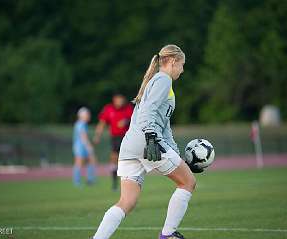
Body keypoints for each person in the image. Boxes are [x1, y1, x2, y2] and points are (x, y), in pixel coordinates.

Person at [92, 44, 202, 239]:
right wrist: (151, 137)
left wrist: (177, 156)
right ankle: (167, 235)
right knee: (188, 183)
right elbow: (148, 112)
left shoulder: (157, 80)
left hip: (129, 146)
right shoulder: (163, 80)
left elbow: (164, 127)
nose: (183, 70)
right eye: (182, 65)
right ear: (173, 61)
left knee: (126, 201)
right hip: (146, 141)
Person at [93, 94, 133, 191]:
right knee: (114, 160)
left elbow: (135, 120)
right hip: (115, 138)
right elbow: (102, 123)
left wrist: (126, 121)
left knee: (127, 161)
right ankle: (114, 183)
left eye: (121, 99)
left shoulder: (128, 108)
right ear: (114, 99)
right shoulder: (108, 109)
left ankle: (129, 183)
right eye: (117, 99)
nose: (119, 101)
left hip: (127, 138)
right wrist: (97, 136)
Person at [72, 107, 97, 187]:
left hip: (82, 146)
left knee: (89, 161)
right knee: (79, 163)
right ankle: (77, 182)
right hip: (80, 146)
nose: (88, 116)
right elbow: (83, 137)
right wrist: (89, 146)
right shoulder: (80, 124)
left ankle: (89, 180)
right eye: (87, 114)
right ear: (82, 115)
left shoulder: (83, 124)